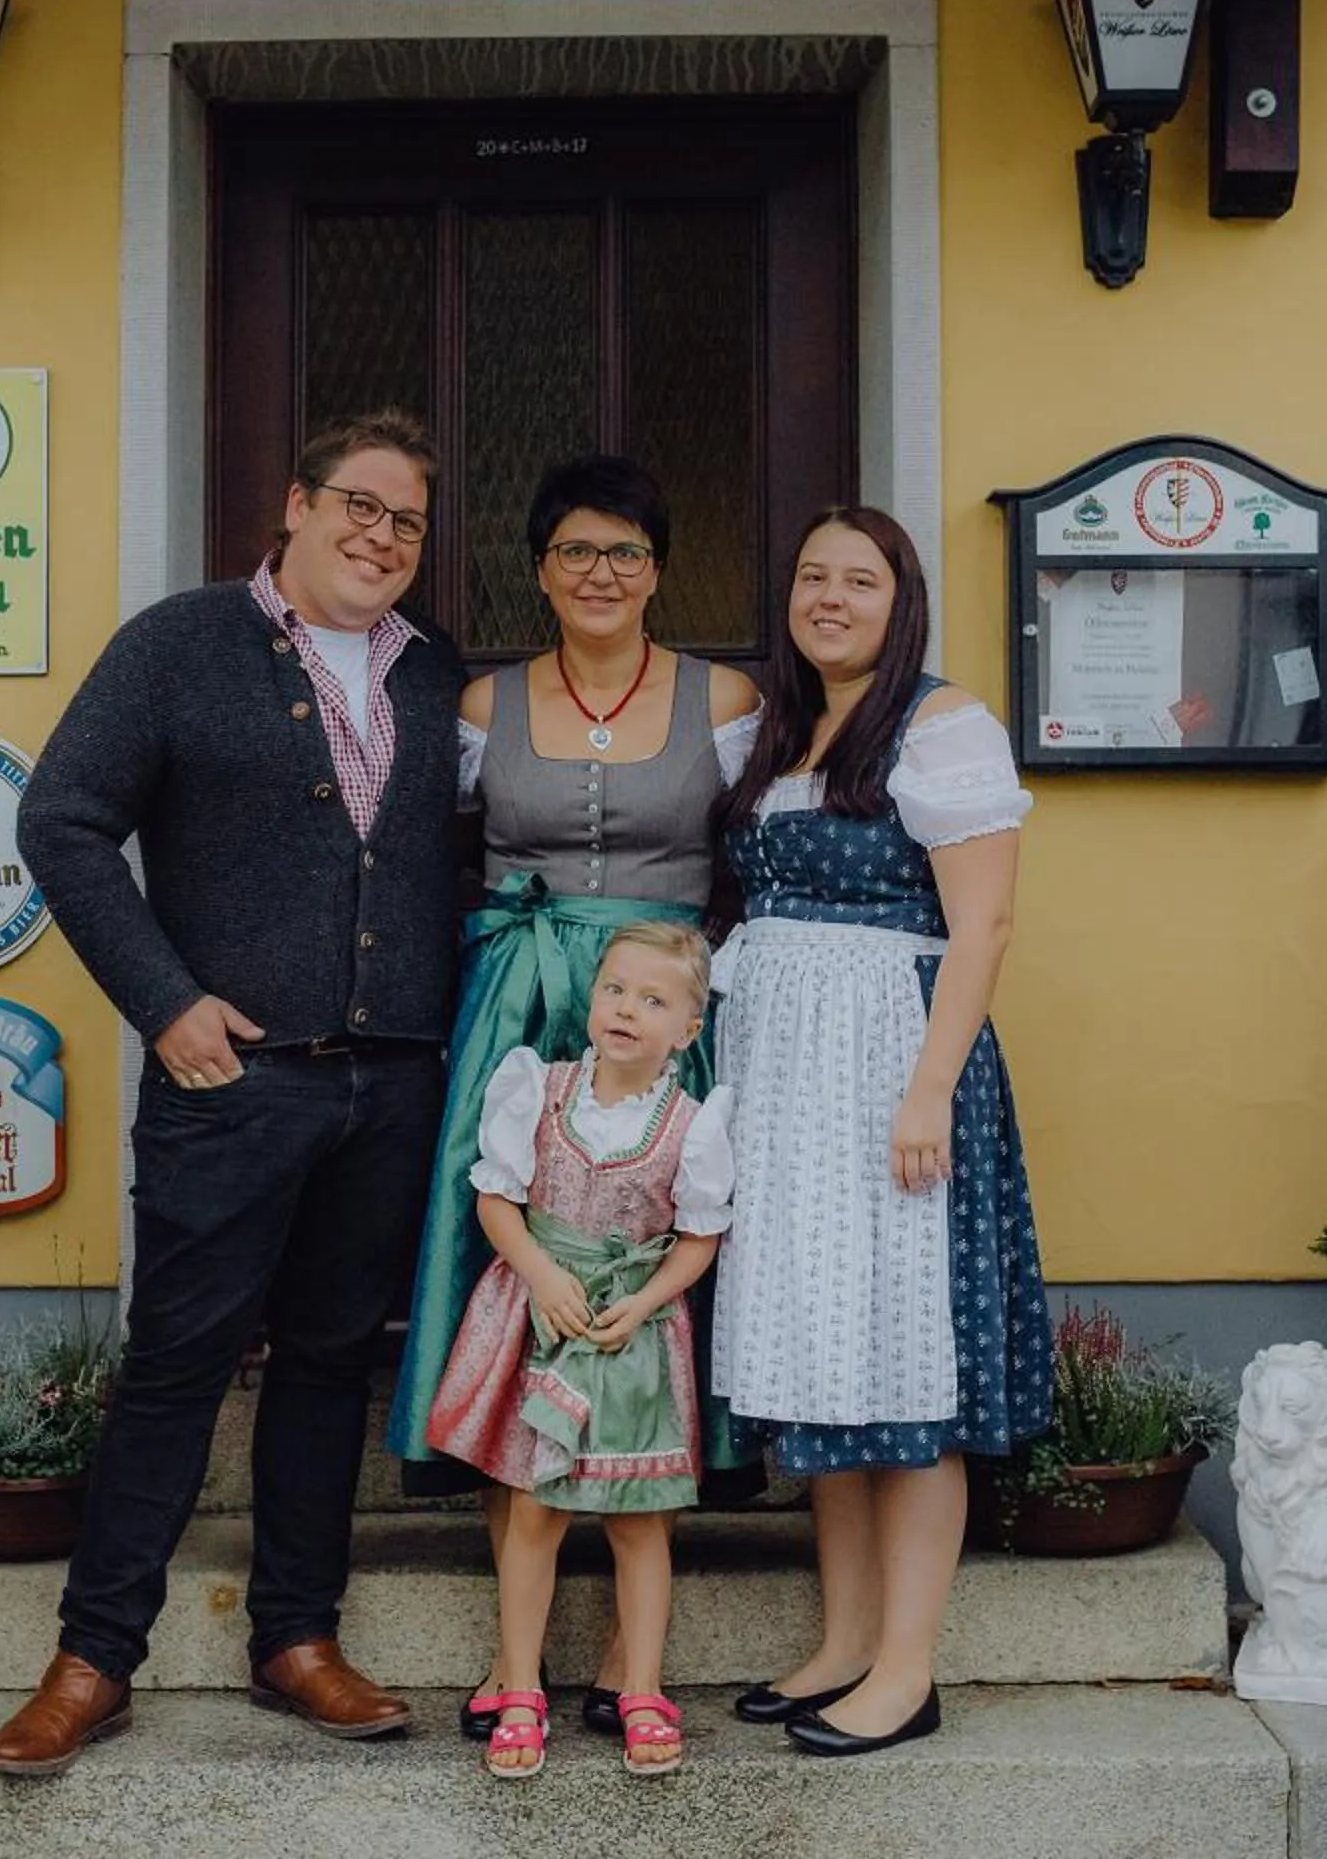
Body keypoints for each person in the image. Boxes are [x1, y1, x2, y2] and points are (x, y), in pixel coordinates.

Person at [0, 409, 465, 1778]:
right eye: (357, 506)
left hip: (392, 1087)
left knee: (326, 1367)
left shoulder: (437, 678)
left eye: (406, 521)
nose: (379, 536)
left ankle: (296, 1640)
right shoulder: (179, 644)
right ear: (295, 507)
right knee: (177, 1366)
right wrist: (165, 1001)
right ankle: (92, 1661)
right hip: (231, 1084)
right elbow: (61, 818)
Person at [380, 453, 760, 1741]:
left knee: (646, 1258)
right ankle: (519, 1638)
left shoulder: (728, 700)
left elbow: (755, 860)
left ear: (659, 570)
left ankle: (632, 1641)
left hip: (660, 1013)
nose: (603, 575)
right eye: (578, 552)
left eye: (628, 553)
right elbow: (422, 845)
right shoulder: (486, 700)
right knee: (517, 1270)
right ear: (540, 569)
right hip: (520, 998)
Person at [708, 505, 1055, 1757]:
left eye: (860, 580)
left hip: (890, 1070)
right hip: (787, 1079)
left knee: (904, 1364)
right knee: (826, 1359)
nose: (831, 598)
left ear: (900, 599)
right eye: (812, 576)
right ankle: (845, 1638)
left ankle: (908, 1667)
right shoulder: (779, 725)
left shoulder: (943, 723)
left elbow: (985, 928)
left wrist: (925, 1090)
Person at [423, 922, 736, 1779]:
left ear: (689, 1028)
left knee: (639, 1523)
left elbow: (700, 1235)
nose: (626, 1009)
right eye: (614, 990)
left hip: (630, 1335)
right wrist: (538, 1272)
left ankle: (641, 1686)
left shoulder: (694, 1124)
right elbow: (497, 1200)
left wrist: (644, 1300)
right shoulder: (540, 1088)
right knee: (535, 1509)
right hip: (546, 1319)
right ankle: (519, 1684)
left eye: (653, 999)